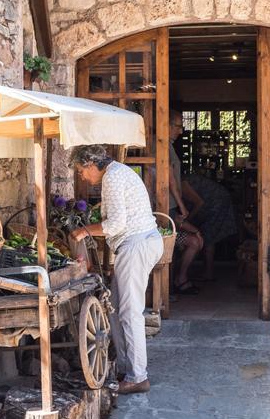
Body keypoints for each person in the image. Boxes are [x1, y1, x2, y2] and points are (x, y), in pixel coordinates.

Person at [67, 144, 159, 395]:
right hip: (138, 243)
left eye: (81, 171)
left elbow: (116, 224)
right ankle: (127, 369)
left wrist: (85, 230)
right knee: (118, 310)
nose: (83, 177)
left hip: (136, 244)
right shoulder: (116, 173)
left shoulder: (113, 177)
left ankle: (138, 376)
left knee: (130, 313)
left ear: (90, 164)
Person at [166, 109, 205, 294]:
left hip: (172, 209)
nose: (181, 131)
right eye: (178, 126)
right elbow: (170, 180)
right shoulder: (162, 147)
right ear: (167, 125)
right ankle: (173, 285)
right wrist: (182, 207)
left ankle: (177, 281)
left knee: (192, 239)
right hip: (168, 209)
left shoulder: (169, 146)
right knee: (188, 241)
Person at [182, 172, 239, 282]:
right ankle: (206, 271)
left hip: (217, 203)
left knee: (208, 236)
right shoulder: (186, 180)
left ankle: (208, 273)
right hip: (216, 201)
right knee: (207, 235)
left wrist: (188, 220)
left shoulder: (183, 184)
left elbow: (199, 203)